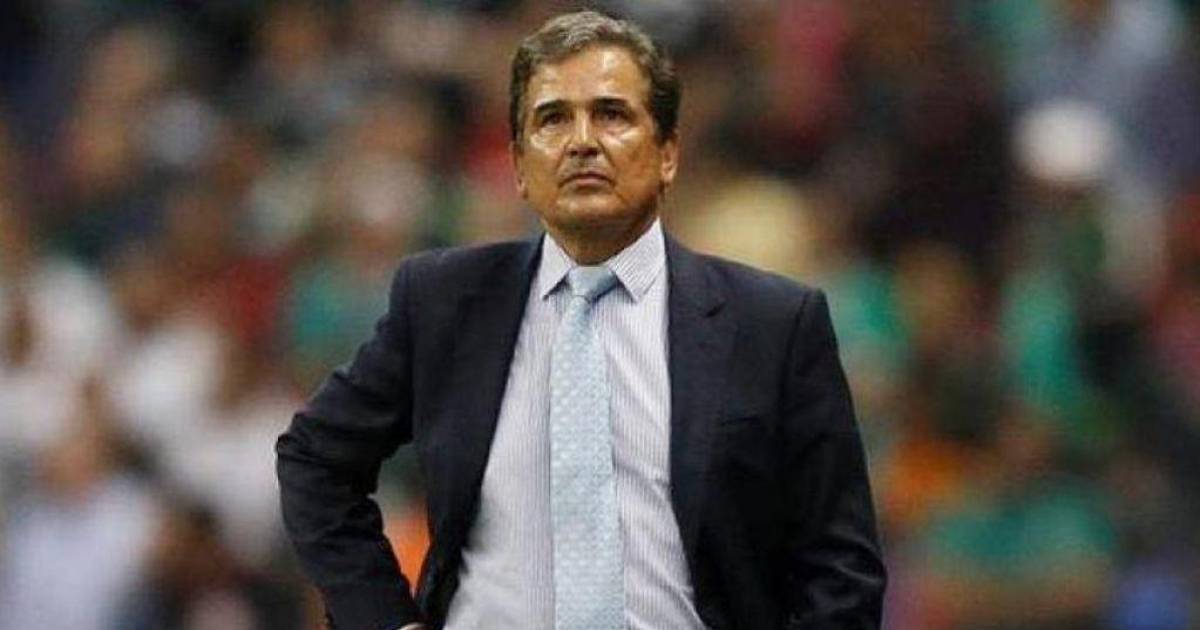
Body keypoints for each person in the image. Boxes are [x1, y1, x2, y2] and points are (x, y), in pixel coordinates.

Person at [276, 10, 885, 630]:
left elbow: (840, 570)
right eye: (552, 119)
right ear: (519, 166)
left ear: (668, 153)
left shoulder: (773, 325)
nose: (582, 141)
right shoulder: (443, 302)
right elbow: (314, 459)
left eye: (612, 114)